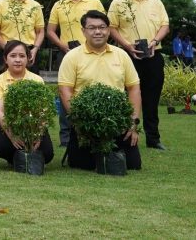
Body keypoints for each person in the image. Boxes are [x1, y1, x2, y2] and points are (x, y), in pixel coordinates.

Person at [57, 10, 143, 171]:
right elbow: (65, 91)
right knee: (83, 165)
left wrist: (133, 122)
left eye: (102, 27)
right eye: (92, 28)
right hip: (86, 123)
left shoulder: (121, 55)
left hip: (117, 121)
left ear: (108, 30)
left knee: (132, 164)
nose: (98, 32)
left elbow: (134, 89)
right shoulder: (72, 57)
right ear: (83, 31)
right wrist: (79, 122)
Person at [108, 0, 169, 151]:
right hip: (127, 56)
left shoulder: (155, 1)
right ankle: (123, 135)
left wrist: (154, 41)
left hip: (153, 54)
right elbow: (111, 27)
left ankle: (153, 138)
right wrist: (126, 45)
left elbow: (165, 25)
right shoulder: (118, 3)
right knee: (125, 96)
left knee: (152, 98)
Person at [46, 0, 105, 147]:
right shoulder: (59, 5)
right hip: (67, 55)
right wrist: (64, 47)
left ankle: (94, 133)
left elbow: (103, 27)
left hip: (93, 54)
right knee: (66, 94)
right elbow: (50, 31)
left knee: (93, 90)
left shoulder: (94, 2)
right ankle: (66, 137)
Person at [0, 41, 55, 168]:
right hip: (7, 125)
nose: (18, 60)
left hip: (33, 125)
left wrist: (38, 134)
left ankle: (23, 157)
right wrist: (12, 135)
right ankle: (15, 159)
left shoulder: (37, 80)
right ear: (5, 59)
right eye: (13, 56)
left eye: (22, 56)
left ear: (28, 58)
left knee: (47, 154)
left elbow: (43, 110)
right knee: (2, 146)